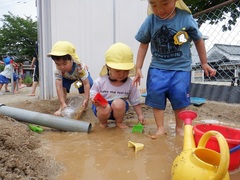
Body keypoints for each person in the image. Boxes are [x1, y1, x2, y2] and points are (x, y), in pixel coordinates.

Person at [133, 0, 216, 138]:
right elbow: (143, 44)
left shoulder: (185, 18)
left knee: (179, 97)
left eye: (165, 4)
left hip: (181, 69)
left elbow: (198, 40)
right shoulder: (151, 21)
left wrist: (204, 63)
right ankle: (160, 128)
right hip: (158, 68)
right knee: (156, 96)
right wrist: (138, 67)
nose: (159, 9)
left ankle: (179, 128)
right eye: (154, 5)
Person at [90, 42, 145, 129]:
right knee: (104, 107)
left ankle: (119, 122)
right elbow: (93, 93)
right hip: (102, 108)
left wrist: (140, 115)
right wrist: (94, 100)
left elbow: (135, 101)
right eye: (118, 71)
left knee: (118, 103)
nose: (122, 74)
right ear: (109, 68)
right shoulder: (100, 81)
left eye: (126, 70)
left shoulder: (129, 84)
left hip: (119, 109)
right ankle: (103, 124)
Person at [47, 41, 93, 116]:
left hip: (79, 79)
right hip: (67, 78)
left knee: (86, 86)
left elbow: (86, 83)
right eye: (58, 64)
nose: (61, 67)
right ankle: (62, 106)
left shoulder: (79, 67)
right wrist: (62, 103)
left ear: (72, 59)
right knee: (63, 87)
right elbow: (58, 87)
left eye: (65, 64)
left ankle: (84, 103)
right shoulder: (58, 70)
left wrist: (87, 98)